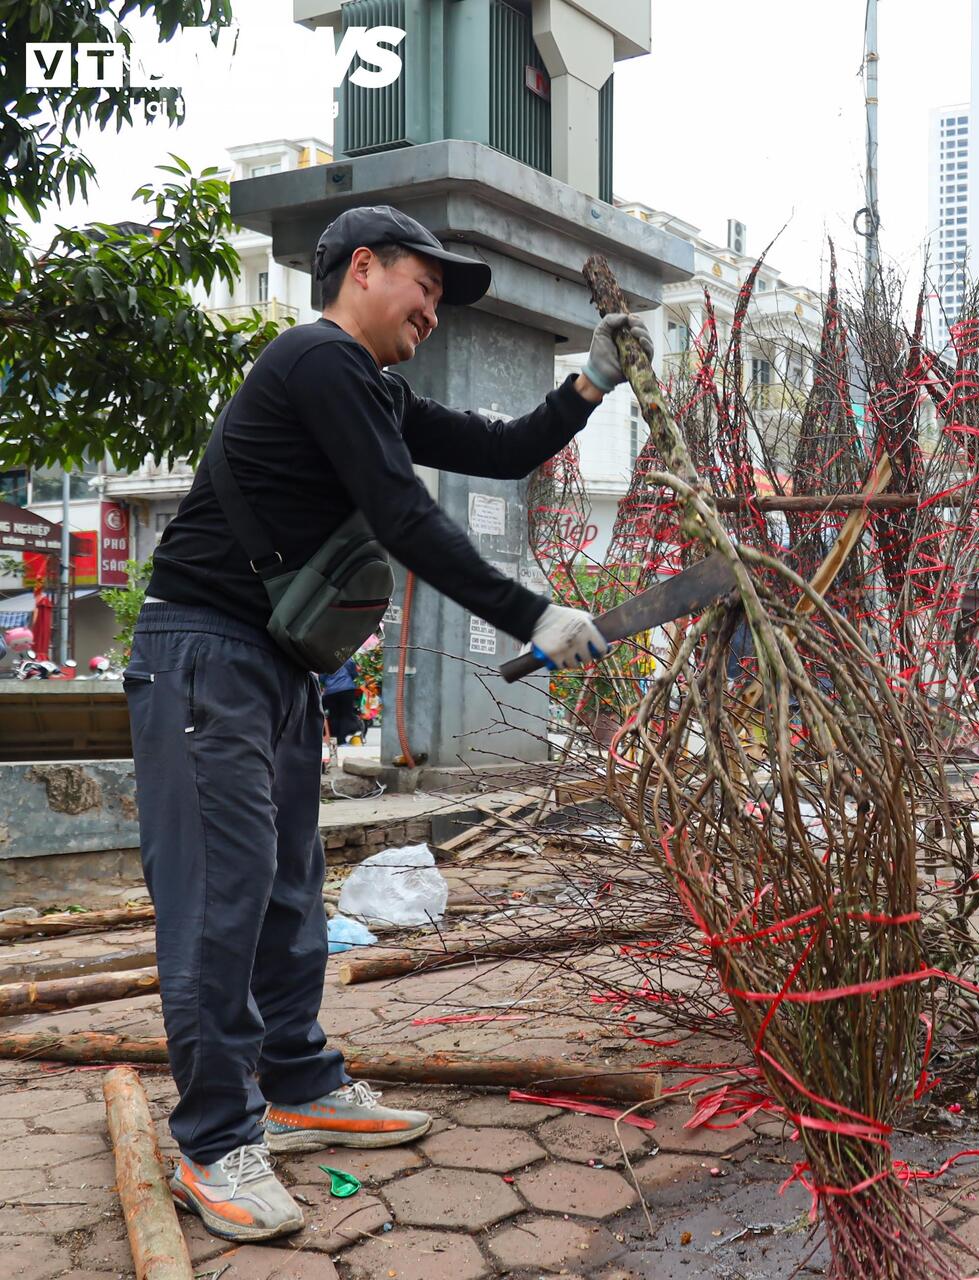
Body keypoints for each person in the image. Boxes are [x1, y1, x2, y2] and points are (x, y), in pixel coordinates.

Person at [126, 205, 648, 1243]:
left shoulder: (369, 387)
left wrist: (589, 380)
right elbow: (408, 517)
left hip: (270, 665)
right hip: (203, 658)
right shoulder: (316, 361)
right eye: (424, 284)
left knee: (286, 893)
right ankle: (214, 1140)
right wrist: (531, 610)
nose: (434, 309)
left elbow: (500, 452)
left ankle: (300, 1080)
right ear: (361, 267)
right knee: (218, 905)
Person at [319, 657, 363, 744]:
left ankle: (335, 739)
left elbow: (322, 678)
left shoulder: (325, 659)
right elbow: (354, 673)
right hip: (347, 689)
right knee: (346, 714)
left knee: (334, 715)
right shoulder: (346, 658)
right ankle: (343, 738)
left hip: (331, 691)